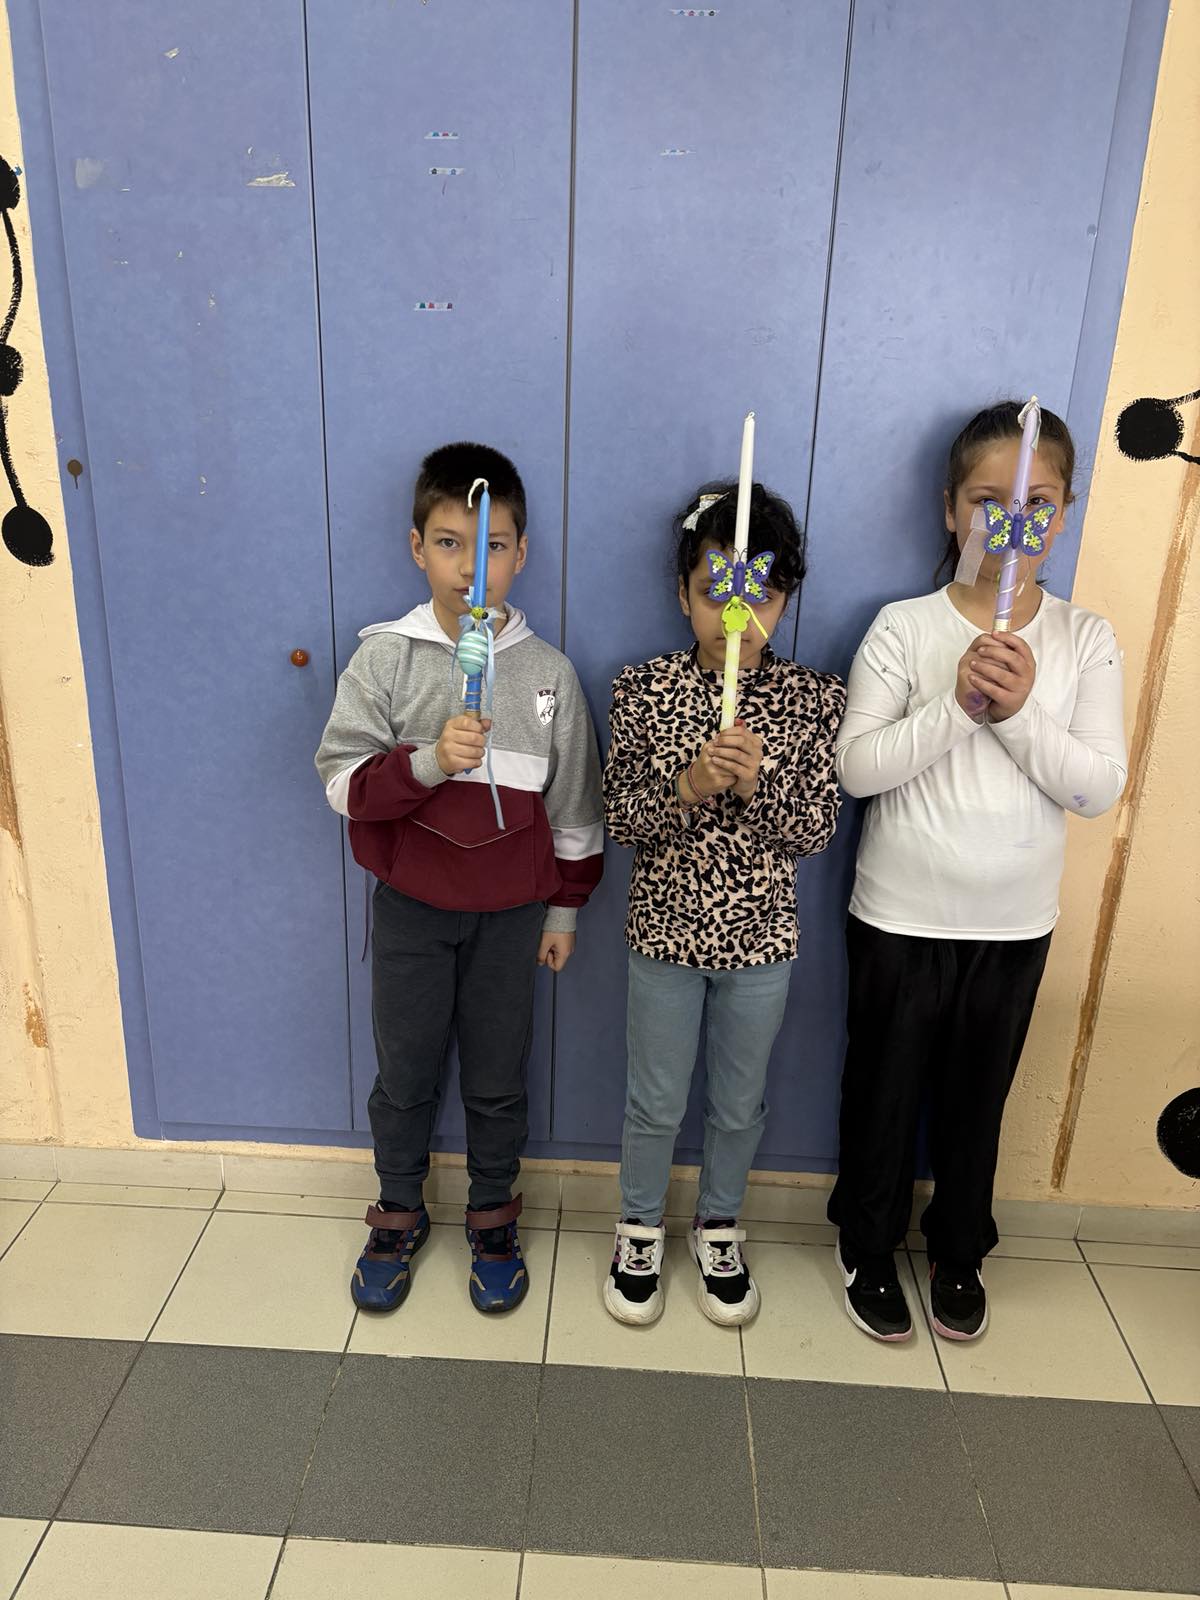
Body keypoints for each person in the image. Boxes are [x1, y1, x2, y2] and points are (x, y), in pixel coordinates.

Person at [829, 401, 1127, 1343]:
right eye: (988, 502)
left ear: (1064, 514)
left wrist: (1021, 711)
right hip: (900, 912)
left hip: (1012, 923)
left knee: (975, 1103)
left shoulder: (1085, 639)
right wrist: (958, 706)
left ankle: (959, 1248)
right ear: (953, 511)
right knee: (882, 1095)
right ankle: (867, 1244)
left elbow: (1096, 789)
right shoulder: (904, 627)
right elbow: (857, 769)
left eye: (1037, 503)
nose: (1012, 523)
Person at [315, 442, 603, 1315]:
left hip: (511, 918)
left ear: (521, 554)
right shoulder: (385, 659)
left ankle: (492, 1216)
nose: (471, 568)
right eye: (449, 544)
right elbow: (341, 784)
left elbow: (575, 806)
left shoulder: (550, 675)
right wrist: (430, 761)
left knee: (497, 1076)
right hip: (411, 910)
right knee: (405, 1073)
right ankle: (397, 1212)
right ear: (418, 548)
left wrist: (564, 911)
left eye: (493, 547)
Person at [601, 481, 844, 1326]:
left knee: (741, 1103)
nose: (734, 617)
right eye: (714, 594)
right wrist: (690, 783)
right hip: (663, 934)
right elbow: (620, 819)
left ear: (784, 599)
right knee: (655, 1100)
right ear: (683, 594)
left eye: (759, 596)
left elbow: (814, 831)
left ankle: (719, 1226)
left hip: (761, 943)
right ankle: (639, 1225)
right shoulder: (642, 688)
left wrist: (755, 784)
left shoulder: (814, 699)